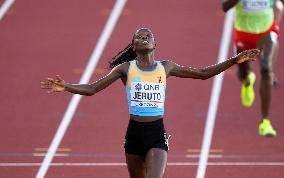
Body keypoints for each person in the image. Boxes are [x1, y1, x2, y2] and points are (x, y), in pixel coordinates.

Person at [41, 28, 259, 178]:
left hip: (156, 133)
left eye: (147, 36)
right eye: (139, 36)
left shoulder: (166, 67)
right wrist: (66, 86)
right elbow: (92, 89)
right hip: (134, 134)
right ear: (134, 46)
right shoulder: (125, 69)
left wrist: (234, 60)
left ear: (154, 44)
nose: (143, 37)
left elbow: (202, 74)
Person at [222, 0, 284, 137]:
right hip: (244, 34)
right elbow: (224, 7)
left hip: (267, 32)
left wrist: (277, 20)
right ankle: (247, 81)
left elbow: (279, 6)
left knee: (266, 69)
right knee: (243, 74)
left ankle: (265, 122)